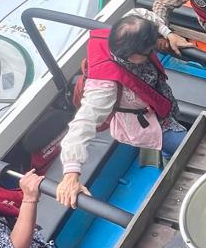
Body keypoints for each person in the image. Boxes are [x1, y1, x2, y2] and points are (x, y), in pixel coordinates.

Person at [56, 14, 187, 207]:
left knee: (171, 149)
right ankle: (174, 179)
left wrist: (169, 34)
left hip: (161, 102)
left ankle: (169, 158)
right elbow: (83, 122)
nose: (153, 50)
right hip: (147, 122)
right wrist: (71, 173)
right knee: (185, 144)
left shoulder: (125, 30)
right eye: (149, 50)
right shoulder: (105, 86)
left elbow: (142, 13)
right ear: (133, 54)